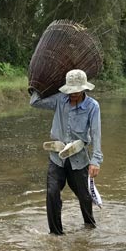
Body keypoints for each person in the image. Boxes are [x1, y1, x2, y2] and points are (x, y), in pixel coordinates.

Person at [30, 69, 103, 235]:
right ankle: (56, 235)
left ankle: (89, 229)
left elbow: (97, 135)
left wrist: (95, 161)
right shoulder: (59, 100)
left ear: (84, 89)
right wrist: (37, 85)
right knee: (52, 193)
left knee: (85, 197)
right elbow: (34, 102)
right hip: (57, 157)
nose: (73, 95)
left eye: (77, 92)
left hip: (79, 158)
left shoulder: (92, 107)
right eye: (70, 91)